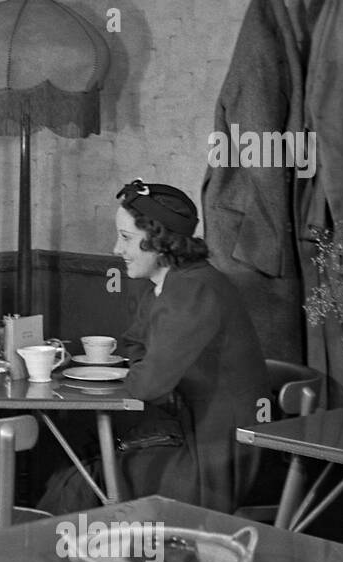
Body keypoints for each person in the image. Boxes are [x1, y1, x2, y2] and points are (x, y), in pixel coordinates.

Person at [41, 179, 268, 514]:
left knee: (79, 482)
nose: (116, 249)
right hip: (187, 435)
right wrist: (144, 368)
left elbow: (147, 383)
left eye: (126, 238)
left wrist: (140, 372)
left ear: (160, 241)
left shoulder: (193, 291)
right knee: (74, 464)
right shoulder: (168, 285)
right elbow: (135, 347)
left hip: (214, 460)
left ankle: (72, 559)